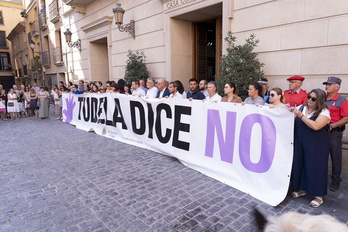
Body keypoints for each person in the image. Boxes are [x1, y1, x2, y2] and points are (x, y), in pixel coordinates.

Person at [289, 89, 330, 208]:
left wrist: (300, 116)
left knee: (315, 167)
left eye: (313, 99)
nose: (310, 100)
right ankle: (302, 189)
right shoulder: (301, 107)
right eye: (309, 97)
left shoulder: (324, 112)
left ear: (320, 101)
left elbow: (316, 126)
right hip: (300, 142)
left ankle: (318, 196)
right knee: (300, 164)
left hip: (317, 144)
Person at [323, 77, 348, 192]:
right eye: (327, 84)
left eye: (330, 84)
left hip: (334, 133)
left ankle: (335, 180)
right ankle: (321, 178)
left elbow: (346, 118)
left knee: (335, 157)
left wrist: (332, 126)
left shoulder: (342, 100)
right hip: (321, 131)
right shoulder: (322, 98)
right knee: (321, 156)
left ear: (337, 87)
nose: (327, 86)